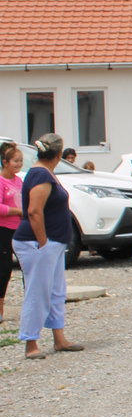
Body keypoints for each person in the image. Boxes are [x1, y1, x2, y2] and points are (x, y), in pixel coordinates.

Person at [12, 133, 84, 360]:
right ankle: (30, 342)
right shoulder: (40, 175)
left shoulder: (44, 173)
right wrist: (43, 242)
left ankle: (59, 338)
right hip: (37, 243)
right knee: (38, 292)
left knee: (55, 291)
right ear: (59, 154)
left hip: (52, 243)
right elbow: (34, 210)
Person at [0, 141, 23, 323]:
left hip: (20, 229)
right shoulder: (1, 181)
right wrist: (16, 211)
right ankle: (0, 308)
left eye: (21, 161)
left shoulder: (19, 181)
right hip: (4, 230)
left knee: (27, 266)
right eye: (15, 161)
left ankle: (31, 306)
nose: (18, 164)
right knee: (4, 269)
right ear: (5, 162)